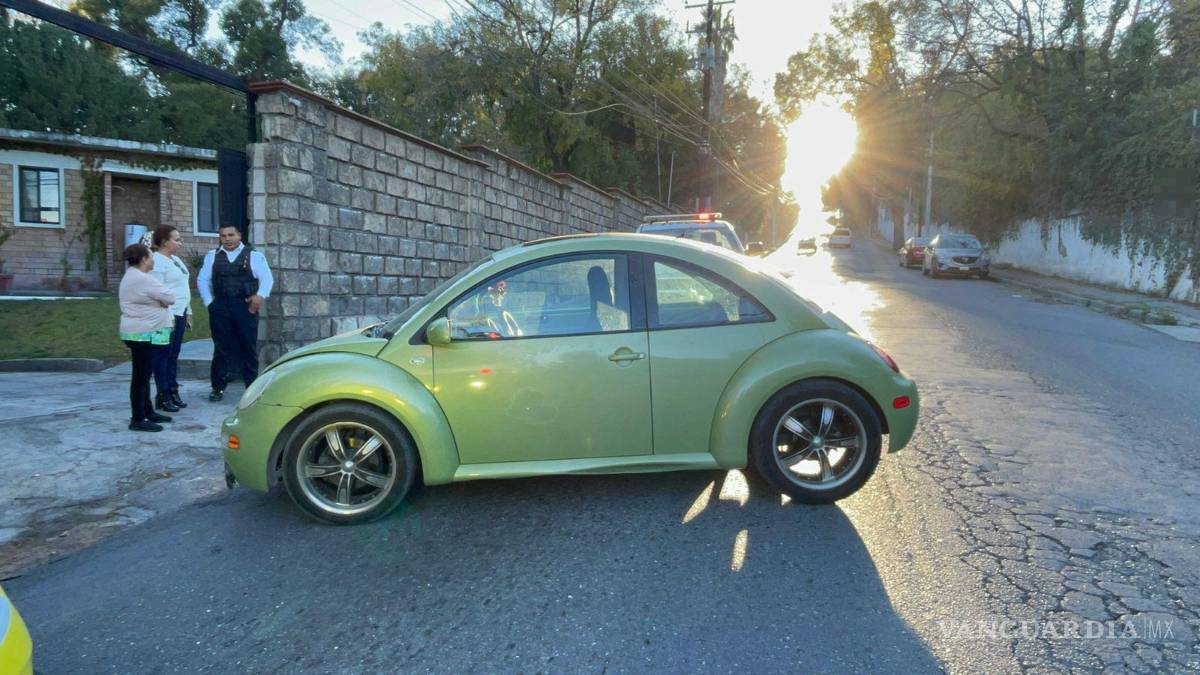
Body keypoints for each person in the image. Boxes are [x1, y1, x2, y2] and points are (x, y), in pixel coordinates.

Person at [197, 224, 273, 402]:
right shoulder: (212, 256)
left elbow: (267, 279)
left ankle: (251, 387)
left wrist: (259, 297)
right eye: (223, 236)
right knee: (221, 348)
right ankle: (218, 387)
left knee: (248, 347)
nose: (227, 239)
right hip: (221, 306)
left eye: (231, 235)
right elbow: (202, 280)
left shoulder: (253, 255)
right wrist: (210, 303)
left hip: (244, 306)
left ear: (239, 235)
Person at [118, 243, 176, 432]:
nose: (153, 260)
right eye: (151, 256)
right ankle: (137, 417)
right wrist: (160, 301)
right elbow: (170, 297)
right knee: (141, 377)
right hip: (142, 334)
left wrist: (159, 301)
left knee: (144, 374)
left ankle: (147, 411)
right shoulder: (143, 279)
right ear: (143, 259)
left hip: (141, 332)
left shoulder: (134, 276)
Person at [149, 226, 192, 412]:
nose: (180, 242)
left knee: (173, 355)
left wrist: (188, 311)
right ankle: (163, 394)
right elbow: (157, 291)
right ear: (165, 242)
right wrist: (167, 315)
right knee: (162, 356)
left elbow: (183, 287)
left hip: (180, 312)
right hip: (166, 314)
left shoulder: (175, 260)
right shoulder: (156, 261)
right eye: (177, 239)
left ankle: (173, 390)